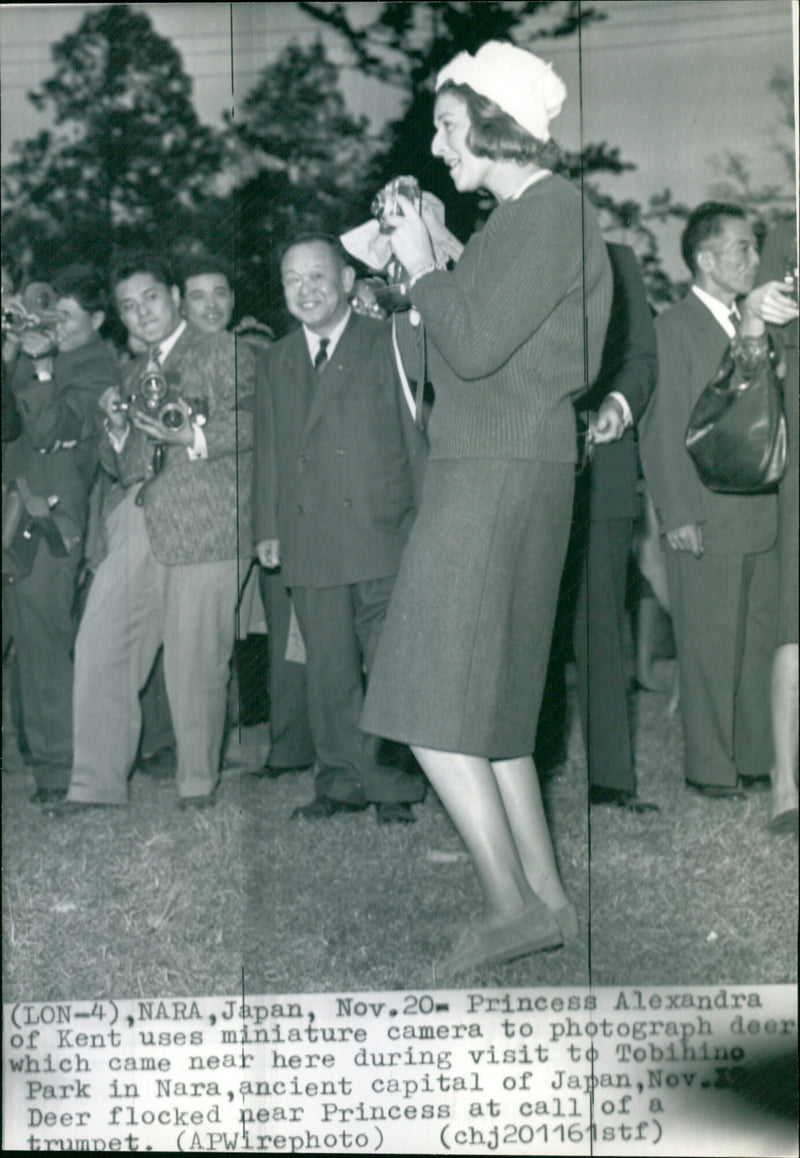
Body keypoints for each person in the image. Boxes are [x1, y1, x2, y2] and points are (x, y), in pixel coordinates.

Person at [360, 41, 613, 975]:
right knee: (498, 711)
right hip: (508, 463)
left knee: (427, 698)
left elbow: (466, 349)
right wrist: (438, 257)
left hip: (494, 471)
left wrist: (427, 265)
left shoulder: (549, 212)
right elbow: (484, 336)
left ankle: (509, 908)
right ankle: (545, 898)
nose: (438, 145)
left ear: (497, 126)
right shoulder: (534, 217)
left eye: (449, 126)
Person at [52, 251, 254, 812]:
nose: (141, 314)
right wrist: (117, 433)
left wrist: (197, 435)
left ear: (173, 294)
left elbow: (262, 419)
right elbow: (124, 467)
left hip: (206, 521)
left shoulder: (221, 348)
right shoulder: (133, 372)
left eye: (150, 299)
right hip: (139, 521)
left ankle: (196, 785)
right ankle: (95, 785)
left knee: (194, 663)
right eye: (128, 307)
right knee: (100, 644)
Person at [252, 233, 427, 823]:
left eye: (318, 277)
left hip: (383, 532)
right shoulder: (275, 358)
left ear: (349, 281)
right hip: (310, 539)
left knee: (386, 665)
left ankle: (392, 787)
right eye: (292, 281)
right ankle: (340, 780)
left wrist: (424, 523)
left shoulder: (389, 342)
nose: (305, 291)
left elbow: (415, 439)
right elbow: (269, 451)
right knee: (327, 667)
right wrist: (266, 526)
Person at [638, 202, 779, 799]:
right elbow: (661, 426)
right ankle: (711, 769)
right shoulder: (673, 329)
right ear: (706, 259)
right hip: (705, 516)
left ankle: (753, 758)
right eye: (743, 248)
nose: (754, 257)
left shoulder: (766, 326)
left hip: (762, 517)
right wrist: (679, 514)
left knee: (757, 645)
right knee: (708, 648)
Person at [4, 264, 119, 803]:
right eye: (51, 314)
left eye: (67, 317)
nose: (55, 325)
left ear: (97, 319)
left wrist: (43, 366)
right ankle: (36, 749)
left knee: (44, 639)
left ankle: (59, 770)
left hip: (49, 519)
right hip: (14, 505)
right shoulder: (29, 357)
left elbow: (49, 432)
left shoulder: (98, 367)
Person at [750, 221, 799, 831]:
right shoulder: (790, 235)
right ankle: (785, 782)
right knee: (796, 619)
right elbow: (754, 338)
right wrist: (760, 308)